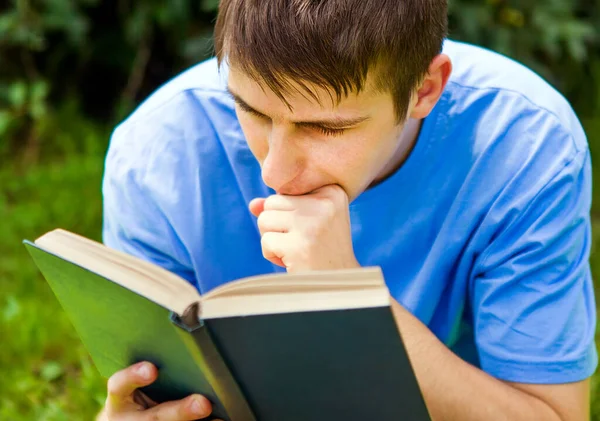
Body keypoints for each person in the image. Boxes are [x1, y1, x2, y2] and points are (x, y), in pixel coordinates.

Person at [96, 0, 598, 420]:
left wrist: (351, 296)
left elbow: (551, 415)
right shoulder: (156, 156)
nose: (274, 173)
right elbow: (151, 394)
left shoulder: (526, 146)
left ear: (425, 89)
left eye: (327, 128)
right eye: (251, 110)